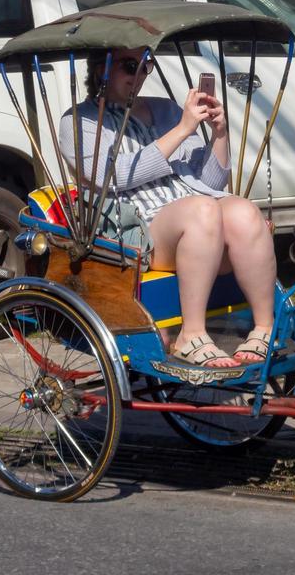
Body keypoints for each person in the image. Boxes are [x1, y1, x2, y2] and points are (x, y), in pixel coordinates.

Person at [58, 46, 277, 369]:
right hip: (134, 227)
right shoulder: (80, 120)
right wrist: (183, 130)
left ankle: (263, 328)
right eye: (129, 66)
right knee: (201, 211)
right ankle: (191, 334)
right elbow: (114, 175)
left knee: (244, 211)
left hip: (194, 214)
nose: (139, 76)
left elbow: (210, 183)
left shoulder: (165, 110)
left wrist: (219, 134)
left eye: (146, 67)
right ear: (101, 68)